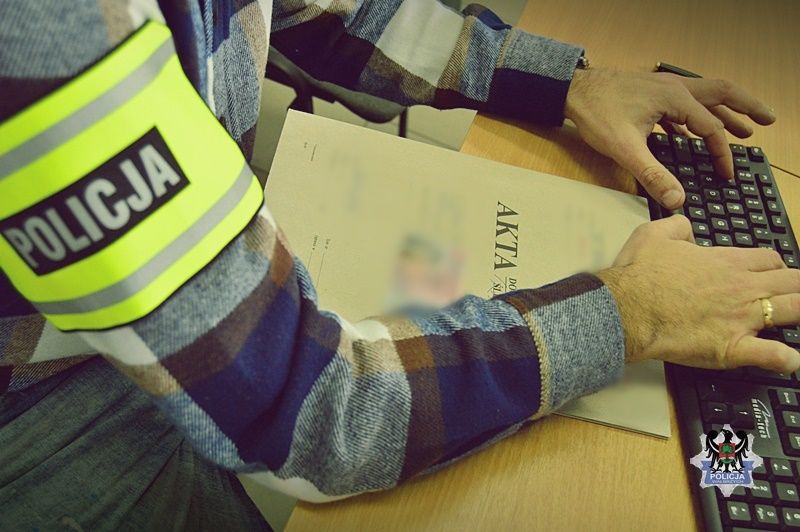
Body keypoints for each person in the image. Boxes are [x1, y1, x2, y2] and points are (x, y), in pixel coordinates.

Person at [0, 0, 797, 529]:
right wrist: (630, 313)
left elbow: (333, 13)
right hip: (45, 405)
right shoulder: (49, 30)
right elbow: (315, 412)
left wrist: (569, 84)